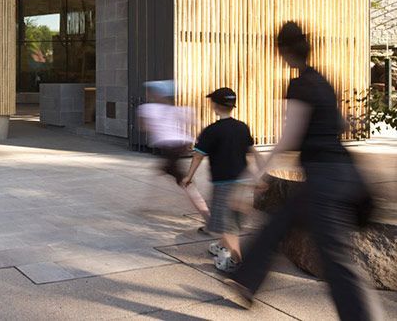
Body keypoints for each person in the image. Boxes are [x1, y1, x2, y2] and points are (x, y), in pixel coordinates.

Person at [229, 22, 382, 319]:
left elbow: (290, 136)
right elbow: (340, 123)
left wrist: (258, 172)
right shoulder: (322, 81)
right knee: (279, 224)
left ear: (283, 51)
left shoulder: (300, 85)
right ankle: (246, 280)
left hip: (325, 181)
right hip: (338, 174)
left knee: (334, 259)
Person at [181, 87, 259, 273]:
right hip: (244, 182)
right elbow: (250, 153)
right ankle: (221, 246)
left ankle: (235, 262)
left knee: (227, 226)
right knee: (234, 222)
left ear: (215, 105)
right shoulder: (242, 127)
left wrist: (189, 176)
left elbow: (198, 156)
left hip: (224, 184)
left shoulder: (212, 130)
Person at [136, 80, 210, 223]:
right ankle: (148, 204)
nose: (149, 94)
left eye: (151, 92)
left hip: (170, 147)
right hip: (180, 145)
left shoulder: (148, 108)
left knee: (184, 182)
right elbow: (197, 124)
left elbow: (143, 126)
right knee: (159, 171)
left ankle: (207, 216)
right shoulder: (178, 110)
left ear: (158, 94)